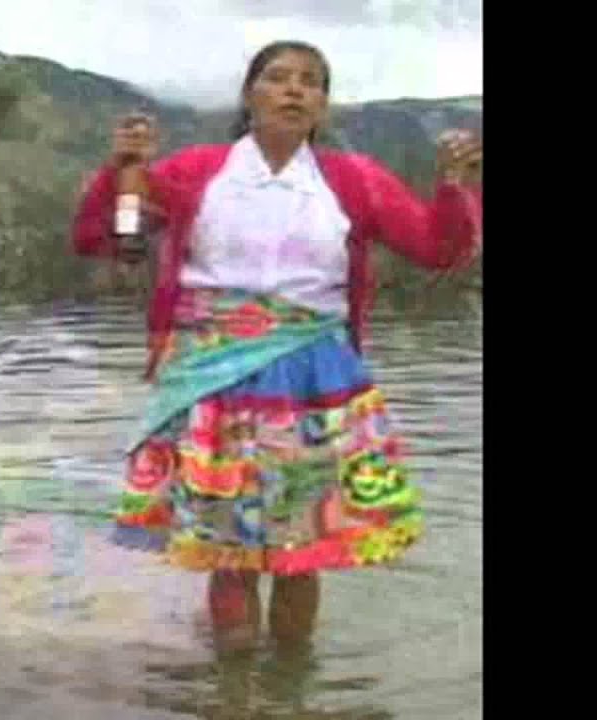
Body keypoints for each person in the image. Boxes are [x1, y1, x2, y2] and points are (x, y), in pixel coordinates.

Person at [72, 40, 481, 654]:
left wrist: (455, 186)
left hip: (316, 379)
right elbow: (97, 238)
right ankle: (235, 685)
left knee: (302, 547)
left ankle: (291, 682)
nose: (294, 90)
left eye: (310, 81)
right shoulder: (195, 172)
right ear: (249, 96)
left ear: (323, 104)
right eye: (279, 78)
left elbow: (439, 250)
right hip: (216, 375)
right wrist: (118, 170)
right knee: (229, 548)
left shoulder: (353, 180)